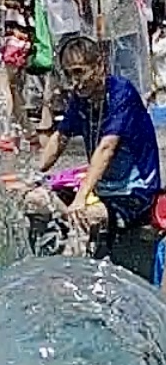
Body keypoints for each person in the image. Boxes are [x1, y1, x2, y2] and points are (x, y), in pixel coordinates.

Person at [25, 35, 161, 257]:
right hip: (99, 191)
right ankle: (42, 262)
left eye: (79, 71)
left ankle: (74, 277)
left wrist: (80, 198)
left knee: (84, 217)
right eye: (68, 74)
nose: (74, 81)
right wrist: (32, 175)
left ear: (99, 65)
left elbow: (107, 148)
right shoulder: (81, 100)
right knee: (35, 200)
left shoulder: (121, 93)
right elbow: (59, 138)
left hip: (133, 192)